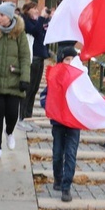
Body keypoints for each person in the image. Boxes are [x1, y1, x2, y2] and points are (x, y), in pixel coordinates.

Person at [0, 2, 30, 162]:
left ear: (10, 17)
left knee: (12, 114)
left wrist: (25, 78)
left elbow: (25, 57)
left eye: (2, 15)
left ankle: (9, 132)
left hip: (13, 79)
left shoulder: (19, 33)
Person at [40, 46, 81, 202]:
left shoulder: (79, 78)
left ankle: (66, 186)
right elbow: (45, 97)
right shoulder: (55, 77)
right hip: (58, 123)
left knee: (70, 153)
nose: (70, 62)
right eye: (67, 59)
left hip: (74, 122)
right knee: (58, 152)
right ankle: (58, 177)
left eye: (72, 59)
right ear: (61, 61)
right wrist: (50, 106)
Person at [21, 1, 50, 120]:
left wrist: (47, 19)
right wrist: (42, 18)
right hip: (33, 57)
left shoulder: (37, 21)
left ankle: (29, 114)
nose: (37, 11)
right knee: (29, 88)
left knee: (34, 88)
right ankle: (22, 115)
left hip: (40, 56)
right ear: (27, 10)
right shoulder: (25, 21)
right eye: (34, 8)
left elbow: (43, 32)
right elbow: (34, 31)